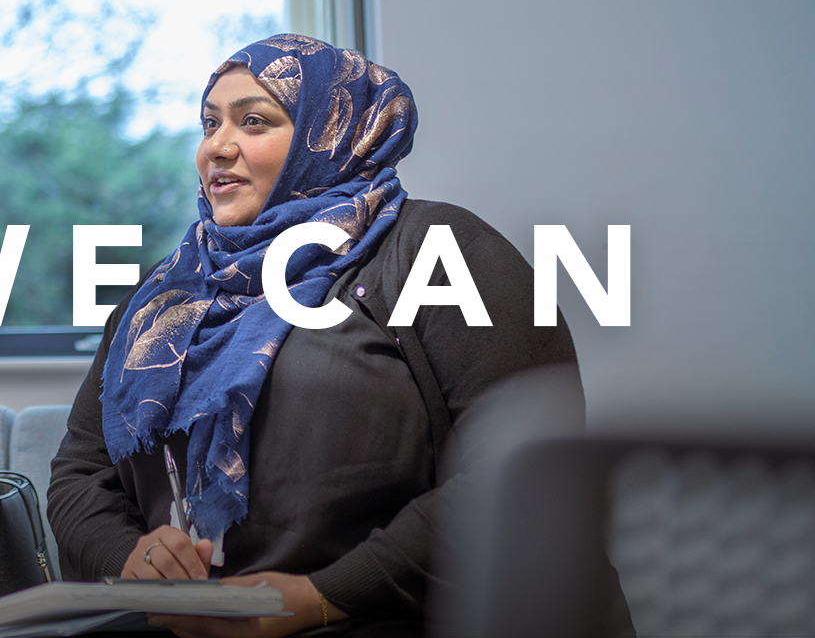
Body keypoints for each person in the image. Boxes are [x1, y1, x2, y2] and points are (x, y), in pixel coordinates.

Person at [46, 35, 583, 637]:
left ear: (331, 132)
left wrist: (321, 597)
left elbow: (530, 467)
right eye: (209, 123)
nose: (217, 148)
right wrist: (129, 559)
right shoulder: (164, 295)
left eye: (254, 121)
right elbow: (80, 473)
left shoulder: (438, 250)